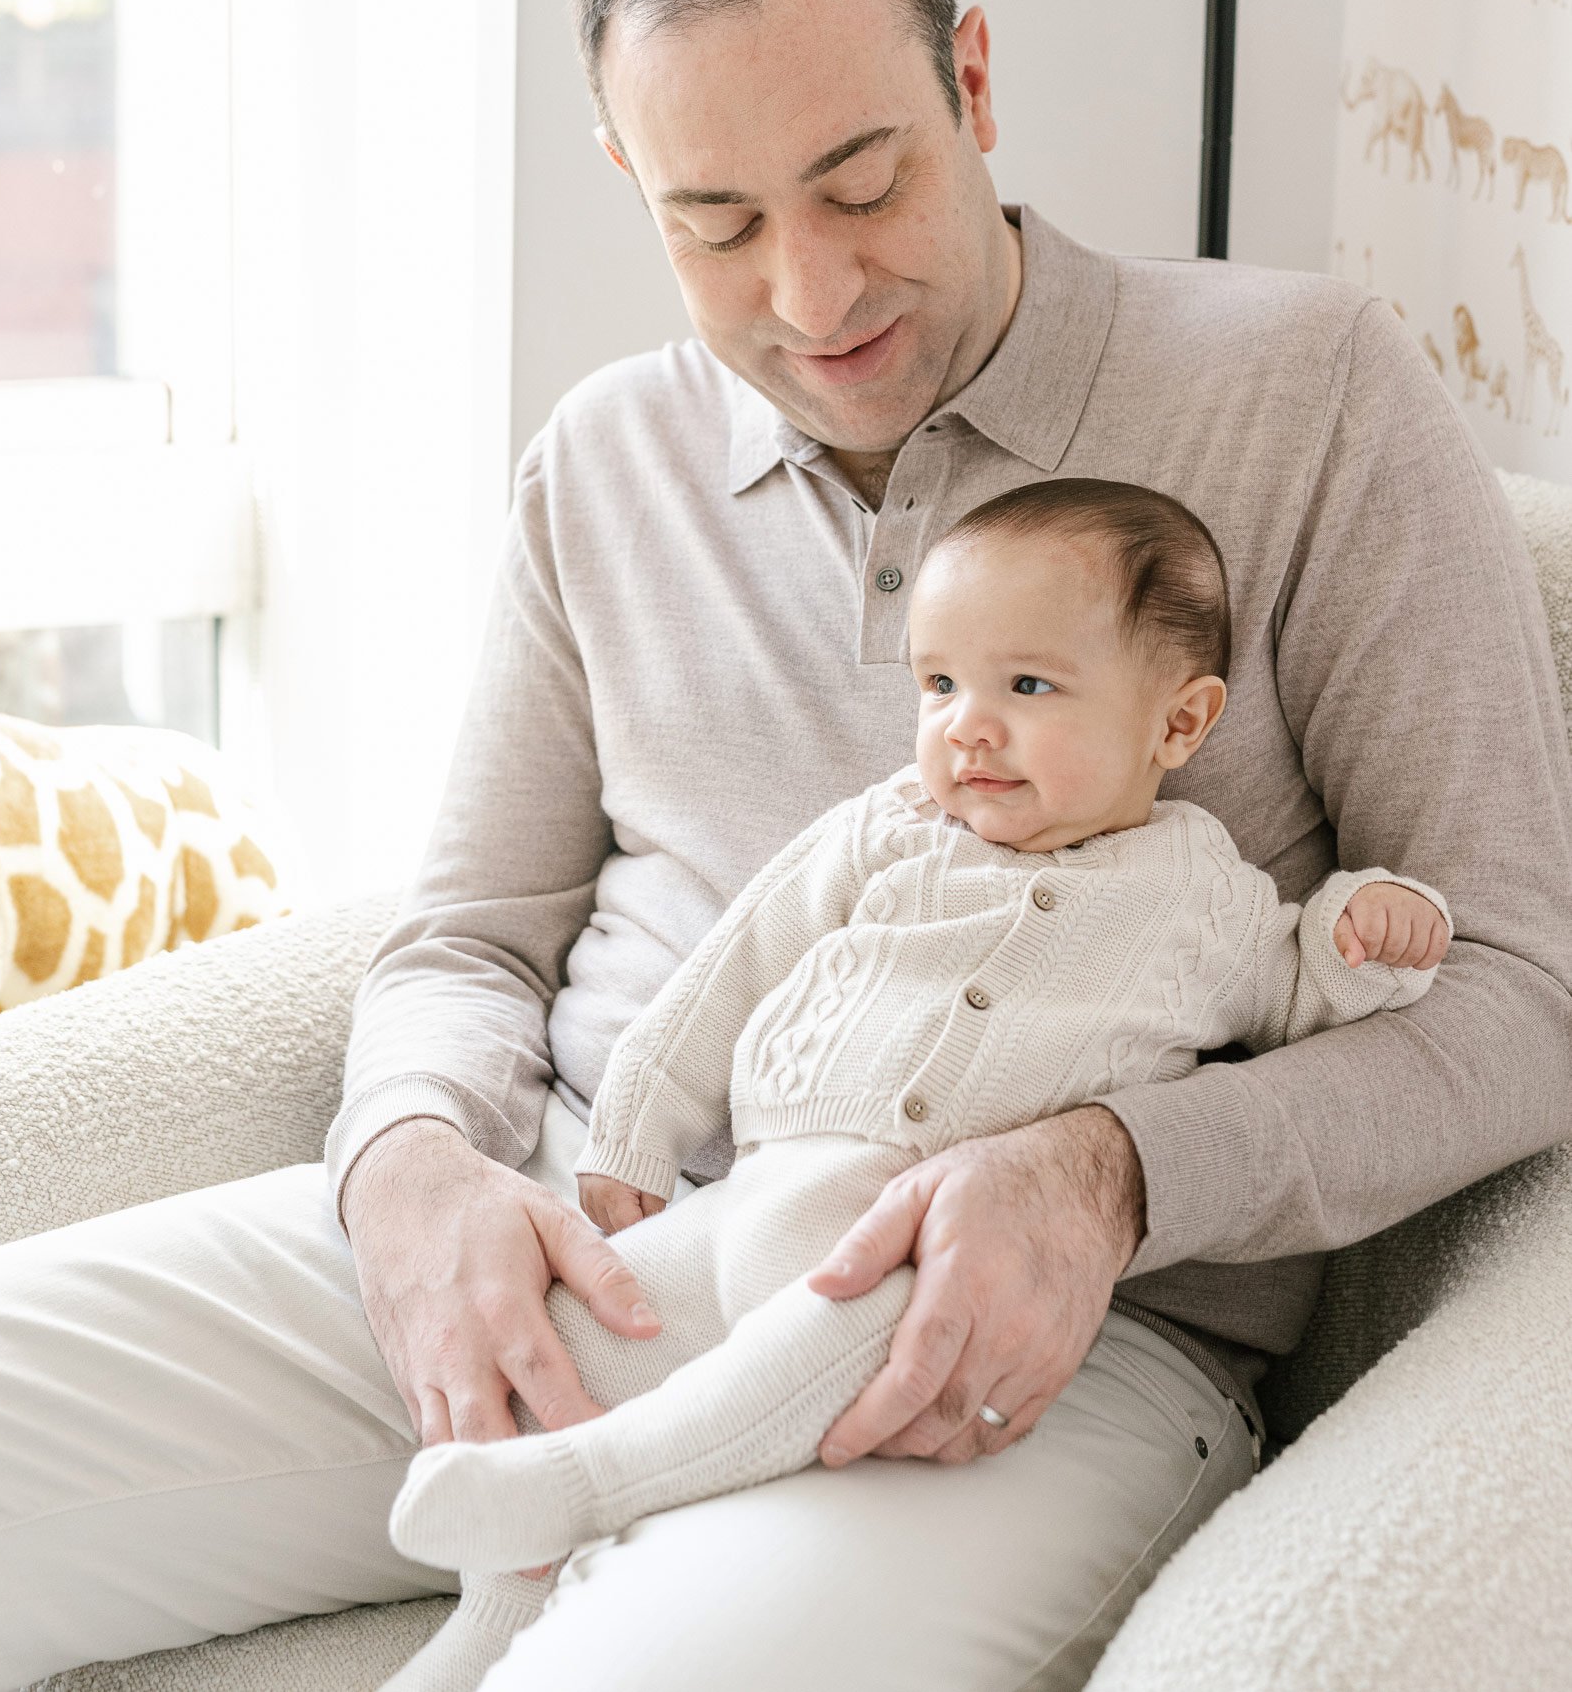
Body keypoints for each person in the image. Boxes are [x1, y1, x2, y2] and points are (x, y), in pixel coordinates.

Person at [0, 0, 1568, 1692]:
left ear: (975, 84)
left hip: (1013, 1344)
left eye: (864, 182)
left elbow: (1513, 992)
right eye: (713, 222)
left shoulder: (1309, 390)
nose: (810, 291)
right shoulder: (603, 460)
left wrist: (1111, 1175)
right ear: (631, 184)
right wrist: (412, 1171)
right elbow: (466, 936)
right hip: (568, 1223)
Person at [382, 478, 1453, 1691]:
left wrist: (1373, 935)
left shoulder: (1198, 894)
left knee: (864, 1333)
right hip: (744, 1203)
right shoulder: (879, 829)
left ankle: (596, 1484)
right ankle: (486, 1621)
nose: (966, 727)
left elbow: (1299, 988)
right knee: (569, 1338)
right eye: (938, 685)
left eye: (1027, 687)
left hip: (918, 1245)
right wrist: (633, 1130)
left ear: (1178, 722)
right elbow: (725, 974)